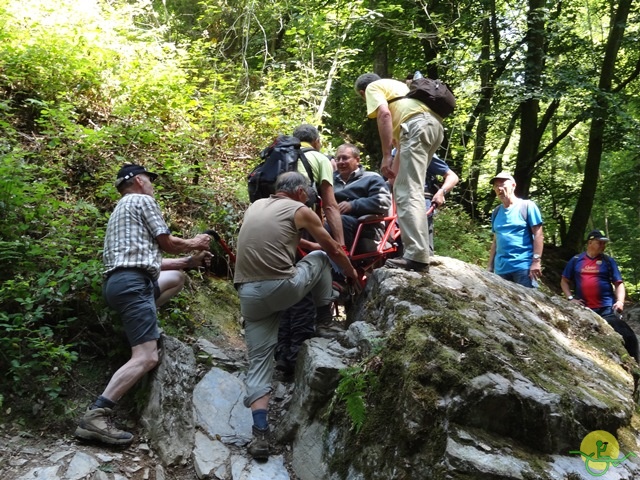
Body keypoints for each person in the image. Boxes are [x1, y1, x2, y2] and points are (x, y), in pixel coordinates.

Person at [75, 164, 212, 446]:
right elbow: (168, 243)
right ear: (139, 180)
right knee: (148, 357)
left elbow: (149, 260)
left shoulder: (121, 211)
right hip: (133, 284)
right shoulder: (143, 200)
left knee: (176, 277)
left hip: (121, 284)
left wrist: (190, 262)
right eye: (150, 180)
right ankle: (96, 415)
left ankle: (145, 323)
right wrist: (194, 242)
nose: (152, 185)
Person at [234, 172, 359, 460]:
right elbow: (331, 247)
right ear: (301, 192)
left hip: (248, 295)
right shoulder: (300, 210)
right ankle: (325, 319)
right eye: (309, 194)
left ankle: (260, 434)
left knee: (259, 364)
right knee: (320, 258)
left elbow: (273, 244)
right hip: (281, 287)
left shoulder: (256, 206)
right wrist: (351, 274)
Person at [274, 125, 347, 377]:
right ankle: (297, 356)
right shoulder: (318, 158)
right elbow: (329, 204)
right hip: (300, 223)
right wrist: (338, 243)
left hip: (272, 228)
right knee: (301, 288)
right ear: (317, 141)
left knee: (284, 285)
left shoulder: (279, 156)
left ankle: (282, 352)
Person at [355, 73, 444, 272]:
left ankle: (416, 257)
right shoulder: (399, 89)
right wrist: (392, 176)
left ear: (363, 92)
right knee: (412, 189)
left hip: (416, 127)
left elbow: (384, 115)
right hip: (433, 127)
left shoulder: (373, 88)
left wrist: (386, 155)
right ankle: (423, 252)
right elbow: (400, 144)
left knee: (408, 192)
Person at [560, 230, 638, 361]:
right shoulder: (576, 260)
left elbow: (619, 283)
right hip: (584, 309)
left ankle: (635, 364)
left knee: (628, 336)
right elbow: (564, 281)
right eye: (600, 242)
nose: (603, 245)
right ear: (590, 242)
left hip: (606, 309)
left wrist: (620, 302)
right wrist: (570, 299)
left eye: (604, 243)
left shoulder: (608, 261)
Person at [332, 143, 392, 251]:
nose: (340, 162)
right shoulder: (330, 180)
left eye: (345, 158)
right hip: (334, 219)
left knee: (340, 220)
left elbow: (384, 201)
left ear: (357, 160)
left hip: (364, 225)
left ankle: (342, 260)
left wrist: (352, 205)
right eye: (338, 159)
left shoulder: (371, 177)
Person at [487, 171, 543, 288]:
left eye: (502, 184)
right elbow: (496, 240)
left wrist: (536, 262)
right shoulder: (496, 212)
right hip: (500, 270)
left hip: (523, 267)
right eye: (496, 186)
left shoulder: (527, 206)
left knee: (528, 303)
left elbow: (538, 234)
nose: (499, 188)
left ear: (513, 185)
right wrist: (489, 266)